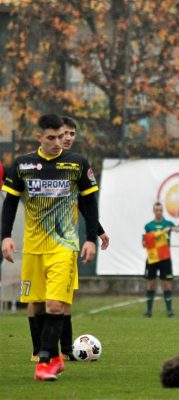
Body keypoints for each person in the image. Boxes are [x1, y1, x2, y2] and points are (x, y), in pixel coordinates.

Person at [1, 113, 99, 381]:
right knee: (39, 306)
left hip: (64, 246)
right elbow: (9, 202)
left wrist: (91, 237)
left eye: (62, 136)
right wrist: (5, 236)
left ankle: (45, 362)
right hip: (33, 248)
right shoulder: (22, 165)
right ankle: (54, 356)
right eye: (52, 137)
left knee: (55, 305)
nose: (59, 142)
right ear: (40, 137)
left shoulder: (76, 164)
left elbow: (89, 202)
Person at [27, 115, 110, 362]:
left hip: (65, 243)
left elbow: (84, 202)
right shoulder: (36, 164)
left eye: (72, 134)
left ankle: (64, 350)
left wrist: (97, 231)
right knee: (37, 299)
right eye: (64, 134)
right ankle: (38, 351)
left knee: (64, 297)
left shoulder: (74, 165)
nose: (68, 138)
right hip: (39, 243)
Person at [142, 201, 179, 318]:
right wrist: (147, 241)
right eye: (156, 210)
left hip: (165, 258)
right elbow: (144, 242)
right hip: (152, 258)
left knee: (166, 284)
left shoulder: (168, 224)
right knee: (151, 284)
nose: (158, 212)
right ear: (153, 211)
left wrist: (171, 229)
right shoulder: (148, 226)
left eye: (160, 210)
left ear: (163, 211)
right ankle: (149, 311)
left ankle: (169, 311)